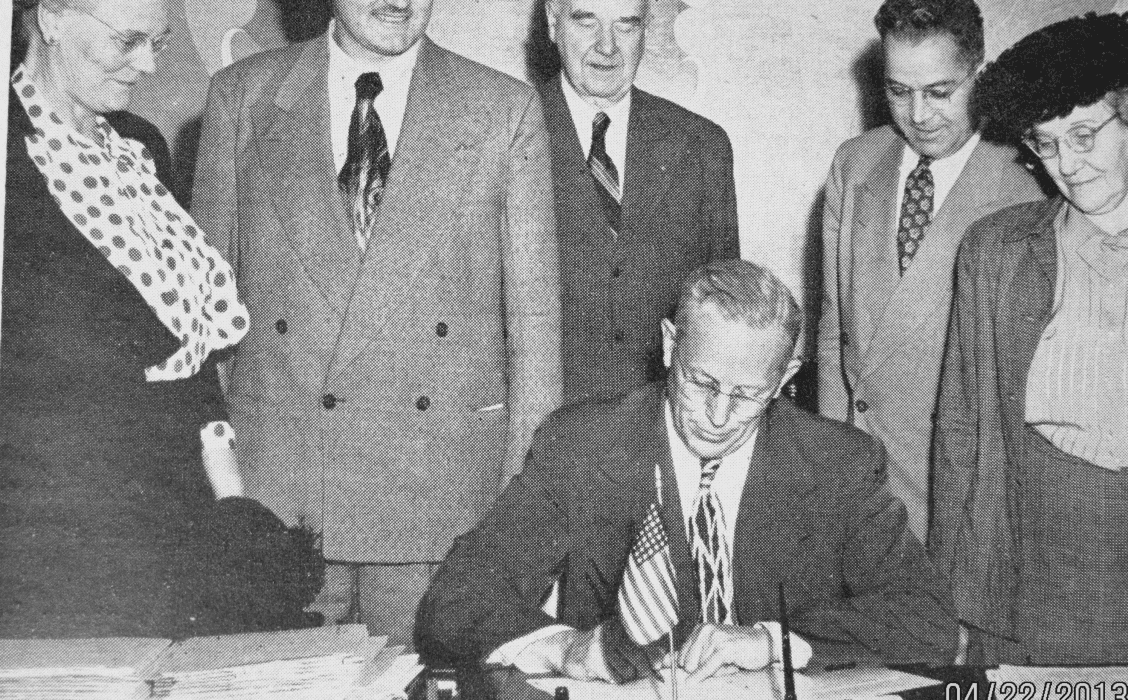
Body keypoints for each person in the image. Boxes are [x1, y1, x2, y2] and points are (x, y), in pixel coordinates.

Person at [192, 0, 562, 644]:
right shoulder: (243, 98)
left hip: (436, 502)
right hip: (282, 496)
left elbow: (534, 332)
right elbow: (201, 322)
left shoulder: (503, 110)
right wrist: (225, 492)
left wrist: (518, 513)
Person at [416, 260, 956, 682]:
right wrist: (567, 647)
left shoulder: (838, 465)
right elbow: (457, 600)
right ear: (672, 345)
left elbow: (926, 620)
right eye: (701, 383)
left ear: (787, 374)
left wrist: (772, 642)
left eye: (749, 395)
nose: (719, 418)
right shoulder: (585, 446)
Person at [0, 0, 267, 637]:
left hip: (174, 510)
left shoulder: (140, 146)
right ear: (54, 18)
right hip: (56, 528)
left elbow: (187, 348)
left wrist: (231, 505)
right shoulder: (9, 148)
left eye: (159, 42)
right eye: (127, 42)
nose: (147, 65)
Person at [931, 12, 1128, 665]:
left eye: (1084, 134)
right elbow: (960, 434)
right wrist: (950, 600)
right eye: (1047, 142)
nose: (1066, 163)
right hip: (1035, 562)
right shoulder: (996, 251)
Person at [817, 0, 1043, 541]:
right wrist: (826, 456)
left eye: (940, 92)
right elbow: (833, 331)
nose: (918, 116)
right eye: (899, 91)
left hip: (957, 489)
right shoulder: (854, 164)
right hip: (855, 477)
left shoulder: (1029, 184)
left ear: (979, 76)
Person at [540, 0, 739, 407]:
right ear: (552, 22)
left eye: (626, 26)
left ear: (646, 29)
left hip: (661, 429)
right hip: (544, 431)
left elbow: (725, 313)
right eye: (586, 22)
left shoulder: (701, 146)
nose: (607, 47)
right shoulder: (504, 133)